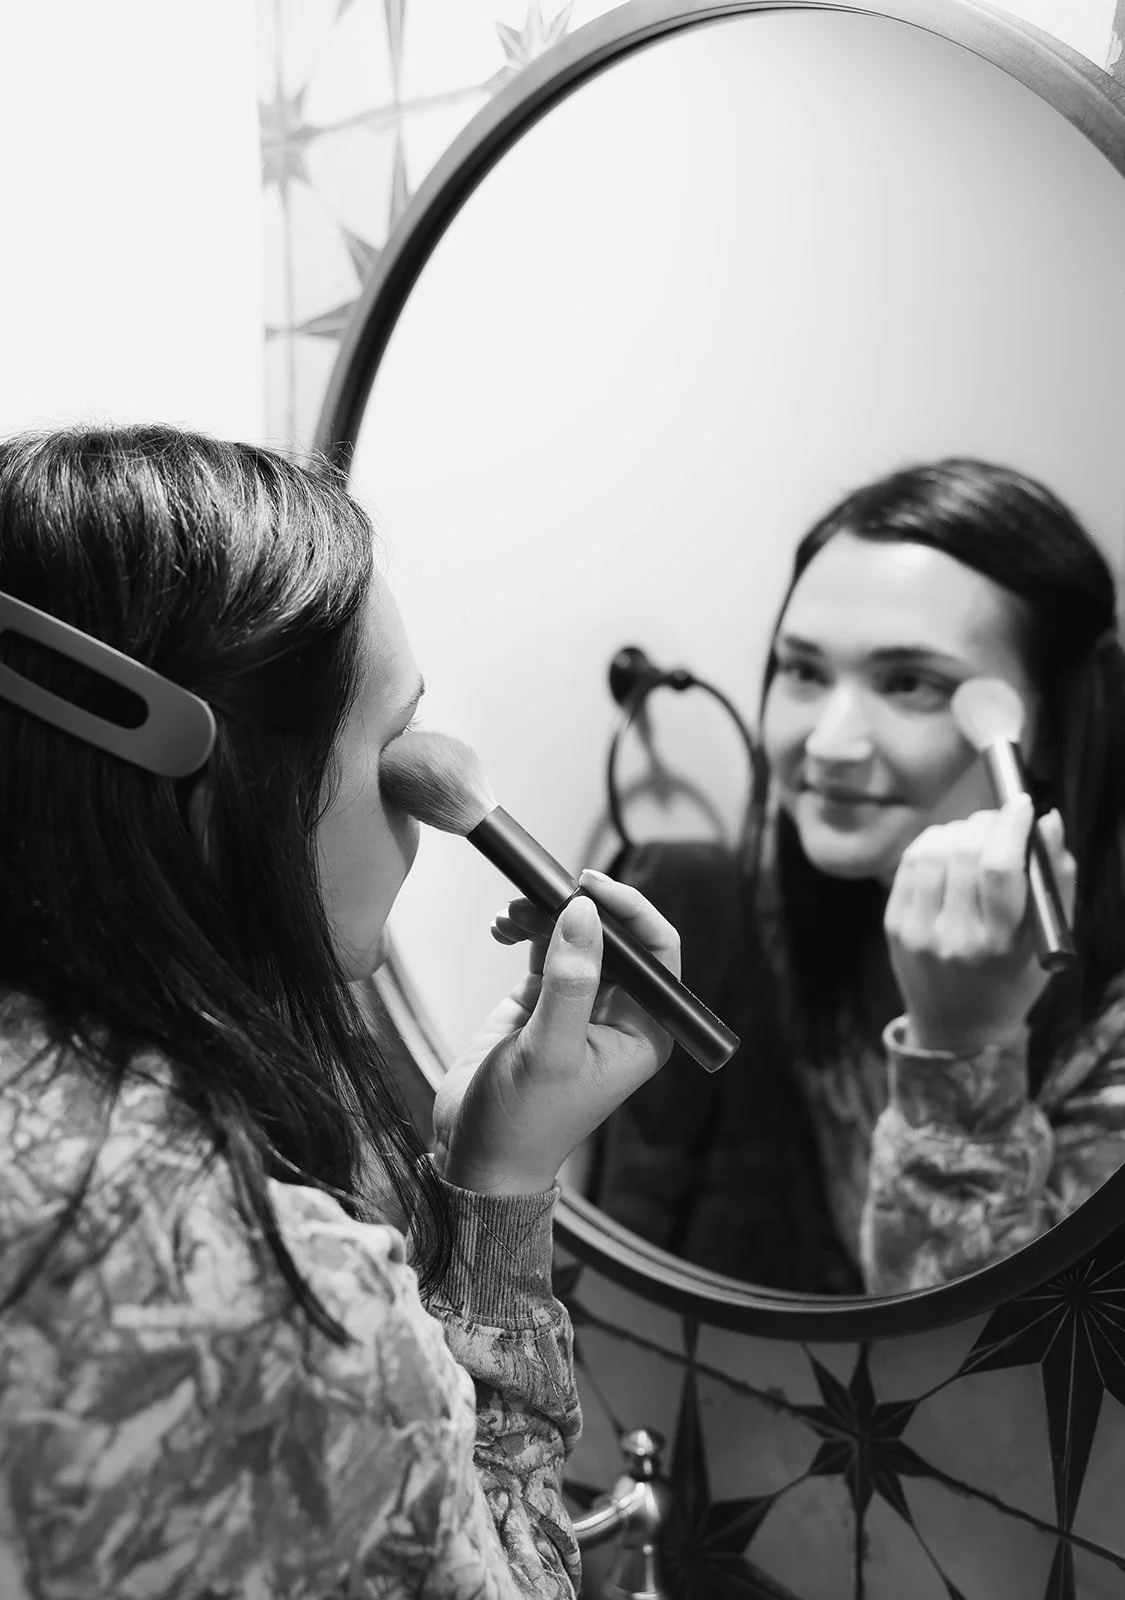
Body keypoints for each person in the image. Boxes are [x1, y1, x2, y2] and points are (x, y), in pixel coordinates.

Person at [0, 424, 680, 1598]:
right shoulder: (270, 1292)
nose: (422, 792)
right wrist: (501, 1199)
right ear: (214, 790)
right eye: (388, 742)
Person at [586, 458, 1125, 1295]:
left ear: (1050, 725)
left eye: (907, 683)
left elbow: (992, 1384)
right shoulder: (781, 906)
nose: (828, 743)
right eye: (801, 671)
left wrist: (961, 1047)